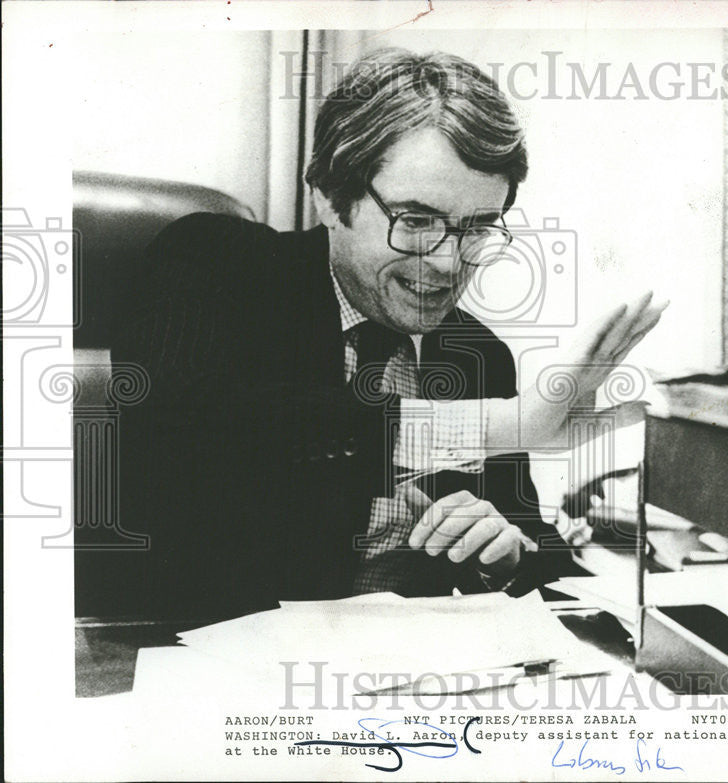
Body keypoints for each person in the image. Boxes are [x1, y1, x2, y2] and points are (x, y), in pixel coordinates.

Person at [75, 48, 664, 620]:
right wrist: (502, 424)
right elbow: (181, 411)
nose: (447, 262)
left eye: (478, 227)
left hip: (401, 687)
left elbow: (538, 556)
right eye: (416, 221)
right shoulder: (217, 259)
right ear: (332, 199)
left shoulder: (478, 356)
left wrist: (501, 557)